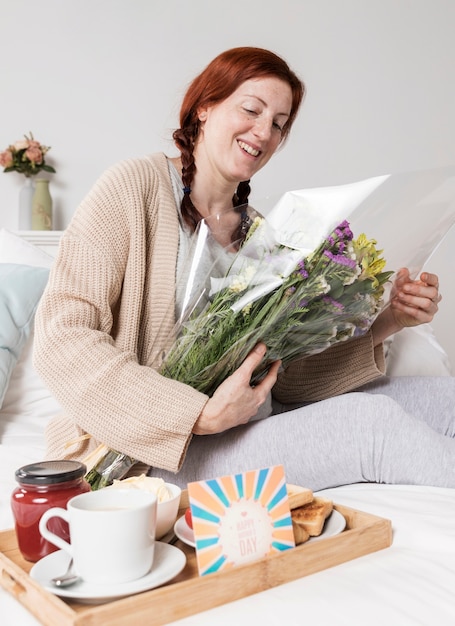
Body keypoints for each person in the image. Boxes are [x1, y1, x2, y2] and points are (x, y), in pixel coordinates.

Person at [34, 47, 454, 492]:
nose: (263, 132)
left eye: (278, 123)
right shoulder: (134, 185)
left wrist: (388, 321)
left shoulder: (260, 232)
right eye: (251, 110)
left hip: (255, 422)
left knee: (446, 400)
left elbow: (286, 379)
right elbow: (63, 336)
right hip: (152, 453)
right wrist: (196, 414)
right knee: (374, 424)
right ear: (205, 106)